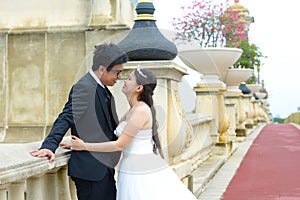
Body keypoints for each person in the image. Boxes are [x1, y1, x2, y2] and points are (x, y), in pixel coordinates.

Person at [61, 67, 197, 200]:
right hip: (130, 167)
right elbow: (111, 134)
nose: (124, 80)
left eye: (130, 78)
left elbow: (119, 144)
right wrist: (75, 143)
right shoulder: (133, 110)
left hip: (139, 169)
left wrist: (84, 146)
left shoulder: (140, 111)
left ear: (139, 88)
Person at [30, 42, 128, 200]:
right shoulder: (84, 87)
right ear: (102, 69)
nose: (119, 77)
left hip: (104, 168)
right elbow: (66, 116)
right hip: (90, 172)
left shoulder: (103, 89)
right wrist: (49, 146)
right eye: (117, 73)